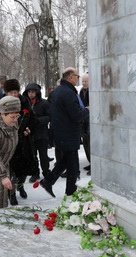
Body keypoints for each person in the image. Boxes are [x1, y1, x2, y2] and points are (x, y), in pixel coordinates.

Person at [40, 68, 89, 198]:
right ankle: (70, 193)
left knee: (67, 160)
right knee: (73, 166)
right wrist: (87, 110)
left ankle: (48, 181)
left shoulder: (58, 90)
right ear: (71, 77)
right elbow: (76, 115)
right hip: (68, 133)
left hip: (61, 132)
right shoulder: (68, 93)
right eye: (77, 76)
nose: (78, 79)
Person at [1, 78, 36, 203]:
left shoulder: (24, 101)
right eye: (10, 92)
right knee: (12, 170)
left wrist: (29, 129)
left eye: (15, 92)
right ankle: (12, 193)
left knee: (24, 168)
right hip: (8, 141)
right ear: (6, 93)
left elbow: (32, 118)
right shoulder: (1, 103)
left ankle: (21, 187)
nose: (13, 95)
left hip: (23, 140)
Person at [22, 82, 51, 181]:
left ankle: (46, 172)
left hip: (42, 133)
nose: (31, 94)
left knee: (43, 155)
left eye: (33, 92)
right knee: (32, 156)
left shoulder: (44, 103)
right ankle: (35, 173)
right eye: (29, 92)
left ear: (37, 92)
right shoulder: (24, 104)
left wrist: (38, 121)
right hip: (30, 134)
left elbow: (49, 116)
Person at [79, 73, 91, 173]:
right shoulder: (81, 91)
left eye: (86, 81)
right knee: (85, 143)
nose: (84, 83)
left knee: (91, 144)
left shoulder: (92, 91)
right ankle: (90, 162)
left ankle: (94, 164)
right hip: (83, 120)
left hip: (90, 120)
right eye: (83, 81)